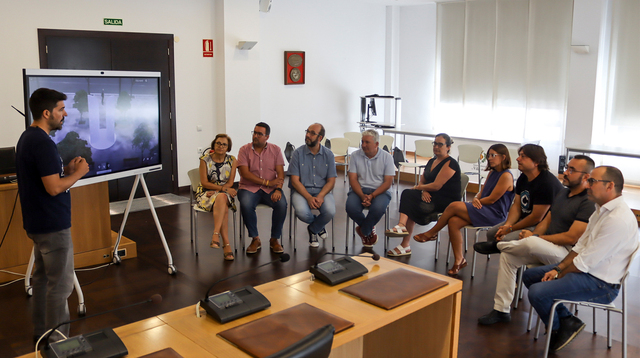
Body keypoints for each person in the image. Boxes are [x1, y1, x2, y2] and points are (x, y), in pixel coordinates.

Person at [523, 166, 638, 353]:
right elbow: (579, 248)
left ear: (610, 186)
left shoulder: (618, 219)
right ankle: (567, 321)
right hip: (588, 272)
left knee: (537, 292)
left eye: (592, 181)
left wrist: (557, 273)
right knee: (529, 276)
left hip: (602, 284)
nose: (588, 185)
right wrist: (559, 269)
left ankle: (557, 329)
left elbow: (584, 263)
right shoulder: (600, 210)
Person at [478, 155, 596, 325]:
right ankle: (501, 310)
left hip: (568, 255)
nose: (565, 172)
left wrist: (536, 237)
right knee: (508, 258)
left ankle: (499, 246)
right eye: (566, 168)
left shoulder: (588, 202)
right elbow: (547, 219)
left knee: (531, 242)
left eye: (571, 170)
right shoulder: (563, 192)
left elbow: (572, 237)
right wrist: (534, 235)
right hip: (547, 247)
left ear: (586, 176)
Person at [16, 88, 90, 342]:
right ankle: (60, 344)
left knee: (43, 281)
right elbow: (54, 187)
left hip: (38, 223)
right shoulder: (43, 143)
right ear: (47, 113)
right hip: (52, 225)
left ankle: (42, 336)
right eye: (60, 109)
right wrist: (79, 173)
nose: (65, 113)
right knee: (60, 286)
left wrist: (67, 170)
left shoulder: (29, 137)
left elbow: (48, 179)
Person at [413, 144, 515, 275]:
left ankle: (431, 233)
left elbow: (492, 199)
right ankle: (459, 260)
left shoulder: (506, 176)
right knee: (453, 221)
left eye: (492, 155)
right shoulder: (492, 172)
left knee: (454, 205)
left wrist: (476, 201)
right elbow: (481, 192)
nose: (489, 158)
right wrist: (477, 198)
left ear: (503, 157)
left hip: (494, 214)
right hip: (482, 208)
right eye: (488, 155)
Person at [473, 144, 563, 254]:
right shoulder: (523, 177)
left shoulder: (547, 183)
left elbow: (536, 218)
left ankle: (511, 259)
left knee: (506, 240)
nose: (517, 159)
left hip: (542, 225)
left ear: (536, 162)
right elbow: (516, 205)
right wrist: (507, 225)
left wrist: (511, 229)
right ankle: (503, 251)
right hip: (525, 218)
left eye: (523, 156)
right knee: (491, 233)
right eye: (519, 155)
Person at [385, 133, 461, 257]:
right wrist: (423, 189)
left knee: (409, 196)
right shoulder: (432, 161)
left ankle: (403, 234)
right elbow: (423, 180)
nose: (436, 146)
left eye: (440, 144)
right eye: (435, 143)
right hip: (431, 195)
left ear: (448, 147)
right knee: (410, 198)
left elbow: (437, 185)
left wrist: (420, 188)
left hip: (446, 201)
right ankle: (403, 235)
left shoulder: (451, 163)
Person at [237, 122, 286, 254]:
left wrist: (278, 189)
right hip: (248, 187)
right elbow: (245, 174)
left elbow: (281, 174)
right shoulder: (244, 150)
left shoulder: (275, 150)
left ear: (267, 137)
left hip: (271, 189)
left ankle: (274, 239)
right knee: (246, 204)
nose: (255, 136)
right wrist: (267, 182)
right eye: (254, 132)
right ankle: (255, 239)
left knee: (281, 204)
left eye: (259, 134)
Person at [289, 123, 337, 247]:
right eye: (307, 131)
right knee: (301, 212)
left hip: (322, 191)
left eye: (312, 133)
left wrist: (320, 196)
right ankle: (318, 226)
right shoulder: (297, 154)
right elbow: (294, 181)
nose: (307, 135)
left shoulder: (329, 155)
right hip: (301, 191)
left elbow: (331, 180)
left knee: (330, 211)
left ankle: (313, 229)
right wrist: (309, 197)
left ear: (320, 138)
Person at [345, 130, 395, 247]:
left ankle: (364, 231)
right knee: (351, 207)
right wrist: (363, 196)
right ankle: (368, 227)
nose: (363, 145)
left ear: (376, 144)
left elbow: (387, 183)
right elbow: (353, 179)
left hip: (381, 191)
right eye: (362, 142)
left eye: (367, 142)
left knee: (377, 208)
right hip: (359, 190)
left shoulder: (387, 157)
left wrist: (372, 196)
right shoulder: (355, 156)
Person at [195, 134, 238, 260]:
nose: (221, 146)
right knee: (222, 202)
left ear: (228, 147)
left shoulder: (232, 160)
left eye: (224, 144)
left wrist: (219, 191)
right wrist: (220, 190)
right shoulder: (204, 159)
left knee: (221, 198)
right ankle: (226, 245)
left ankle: (215, 235)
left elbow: (230, 183)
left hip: (223, 193)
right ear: (214, 144)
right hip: (206, 192)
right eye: (218, 143)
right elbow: (204, 183)